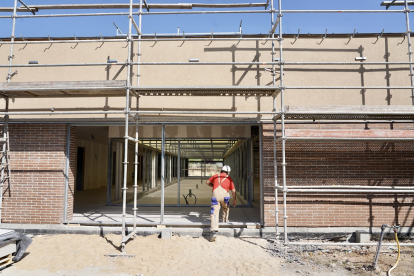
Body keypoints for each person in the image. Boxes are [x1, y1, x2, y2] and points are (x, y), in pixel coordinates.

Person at [206, 165, 236, 242]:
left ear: (221, 170)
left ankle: (213, 231)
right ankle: (224, 223)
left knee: (214, 212)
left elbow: (207, 182)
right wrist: (234, 200)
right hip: (224, 196)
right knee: (225, 208)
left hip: (215, 196)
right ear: (228, 172)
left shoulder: (215, 176)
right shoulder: (229, 178)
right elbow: (233, 190)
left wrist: (213, 185)